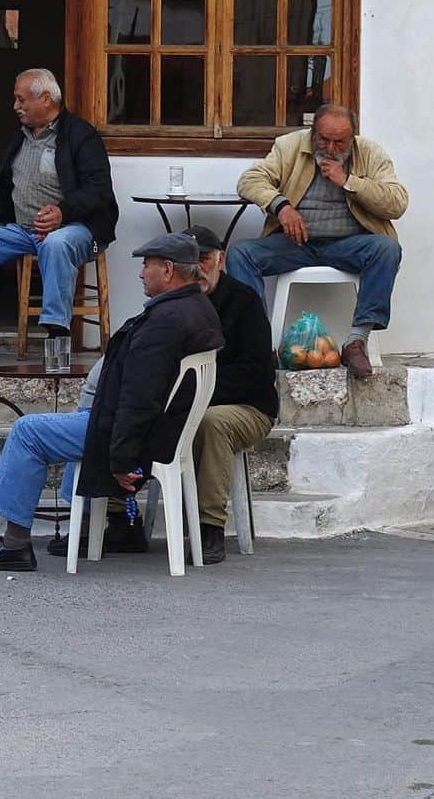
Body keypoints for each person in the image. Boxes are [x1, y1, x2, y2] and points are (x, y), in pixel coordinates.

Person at [0, 233, 223, 572]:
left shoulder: (166, 321)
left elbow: (139, 397)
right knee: (50, 425)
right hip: (152, 431)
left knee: (28, 431)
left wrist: (121, 458)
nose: (141, 273)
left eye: (147, 265)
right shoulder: (198, 309)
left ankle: (14, 544)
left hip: (127, 434)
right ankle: (80, 528)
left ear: (168, 270)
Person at [48, 225, 279, 565]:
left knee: (209, 424)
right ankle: (120, 519)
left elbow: (256, 375)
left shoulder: (244, 302)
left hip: (244, 406)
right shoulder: (166, 306)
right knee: (131, 410)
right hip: (181, 402)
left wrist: (188, 396)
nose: (197, 268)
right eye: (189, 260)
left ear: (221, 260)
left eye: (204, 259)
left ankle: (208, 527)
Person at [0, 68, 118, 363]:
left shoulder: (80, 134)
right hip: (23, 230)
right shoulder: (20, 137)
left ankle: (57, 335)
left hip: (75, 228)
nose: (16, 106)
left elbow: (98, 189)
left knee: (56, 244)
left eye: (21, 99)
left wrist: (63, 212)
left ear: (46, 99)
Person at [226, 104, 408, 380]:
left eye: (339, 142)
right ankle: (260, 344)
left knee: (386, 249)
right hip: (295, 245)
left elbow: (397, 202)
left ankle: (356, 341)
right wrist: (282, 207)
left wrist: (348, 181)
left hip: (349, 244)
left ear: (353, 138)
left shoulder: (370, 152)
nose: (330, 148)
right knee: (240, 253)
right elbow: (250, 180)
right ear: (313, 133)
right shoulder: (289, 146)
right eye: (323, 139)